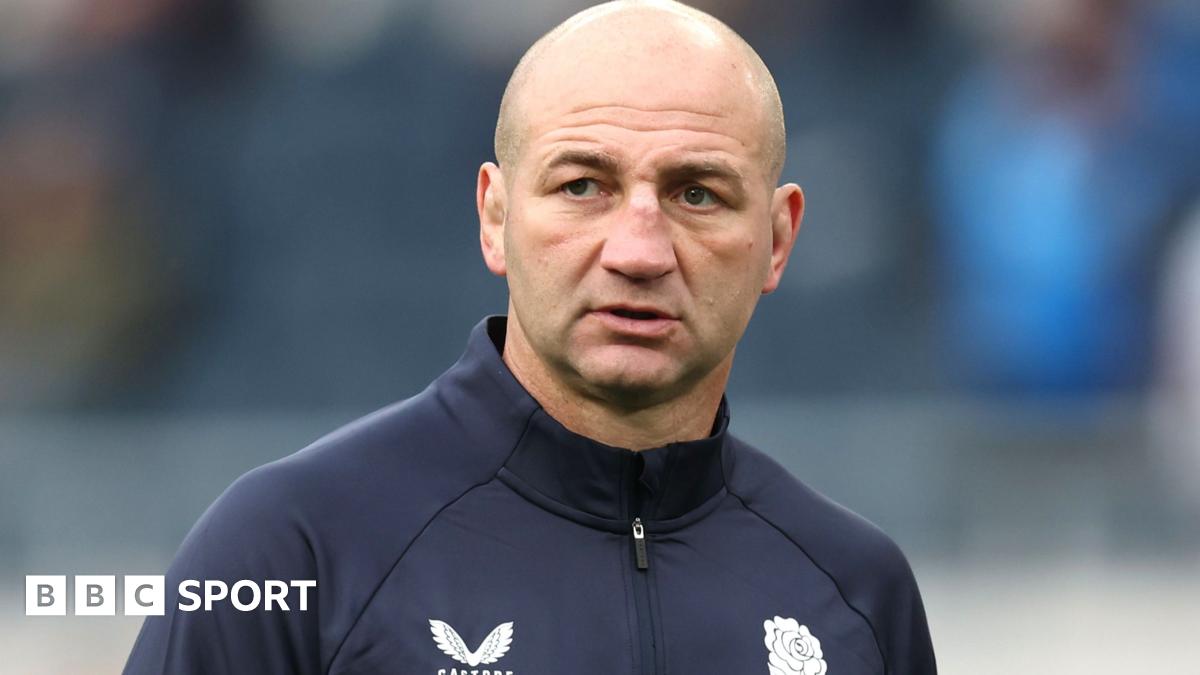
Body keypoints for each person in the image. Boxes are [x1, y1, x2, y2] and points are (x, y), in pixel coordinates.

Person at [124, 1, 936, 673]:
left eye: (697, 193)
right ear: (496, 216)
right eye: (583, 186)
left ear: (779, 239)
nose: (639, 251)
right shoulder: (290, 552)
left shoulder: (858, 594)